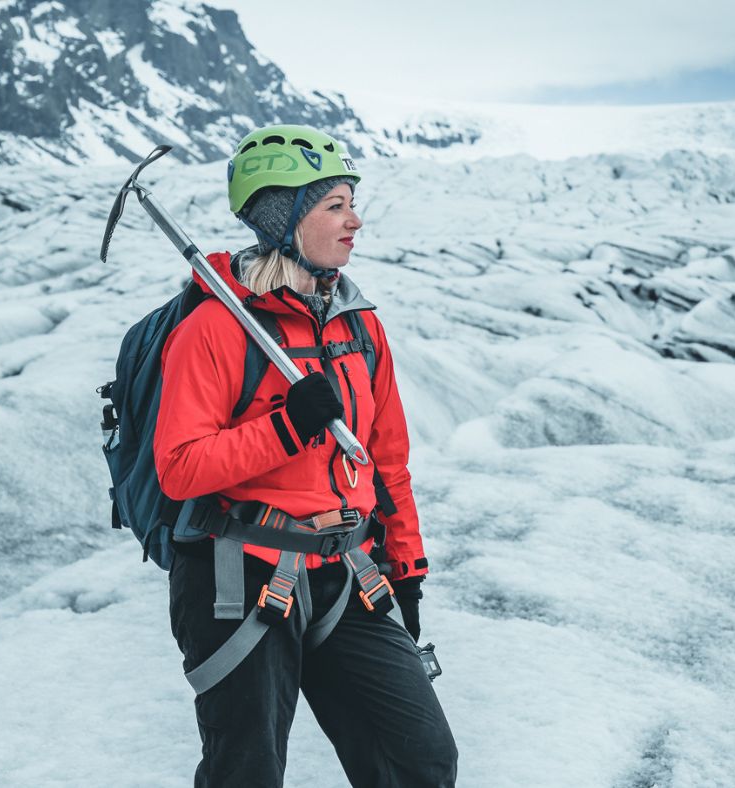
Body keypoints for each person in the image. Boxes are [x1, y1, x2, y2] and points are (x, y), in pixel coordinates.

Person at [153, 124, 458, 787]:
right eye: (335, 205)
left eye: (351, 202)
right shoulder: (216, 328)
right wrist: (288, 429)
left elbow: (387, 459)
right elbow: (179, 469)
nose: (356, 221)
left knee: (419, 761)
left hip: (349, 570)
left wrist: (404, 564)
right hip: (241, 575)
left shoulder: (359, 323)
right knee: (247, 773)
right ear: (284, 218)